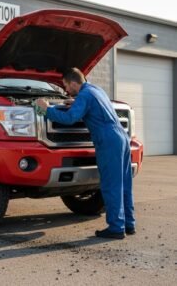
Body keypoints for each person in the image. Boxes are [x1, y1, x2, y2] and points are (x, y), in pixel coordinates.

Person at [36, 68, 135, 239]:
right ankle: (129, 224)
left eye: (66, 86)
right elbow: (92, 104)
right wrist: (75, 102)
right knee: (124, 183)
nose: (66, 90)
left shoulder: (85, 96)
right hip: (122, 138)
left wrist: (46, 109)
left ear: (74, 83)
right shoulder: (96, 90)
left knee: (110, 185)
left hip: (108, 140)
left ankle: (116, 228)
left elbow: (69, 119)